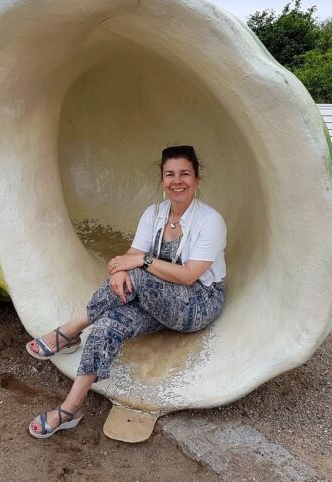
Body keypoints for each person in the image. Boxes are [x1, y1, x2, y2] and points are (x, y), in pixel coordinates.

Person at [26, 145, 227, 438]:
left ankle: (71, 328)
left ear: (197, 179)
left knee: (139, 276)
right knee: (108, 323)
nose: (177, 180)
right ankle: (70, 407)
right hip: (158, 300)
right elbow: (130, 255)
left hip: (197, 302)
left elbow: (188, 276)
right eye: (170, 174)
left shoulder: (211, 221)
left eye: (185, 173)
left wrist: (140, 263)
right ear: (162, 180)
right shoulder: (154, 214)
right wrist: (120, 269)